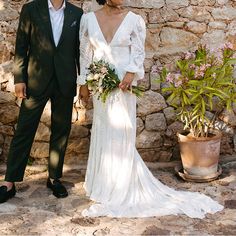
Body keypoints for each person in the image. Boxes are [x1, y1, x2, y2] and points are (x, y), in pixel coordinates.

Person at [78, 0, 224, 218]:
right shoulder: (88, 19)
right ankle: (102, 182)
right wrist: (83, 83)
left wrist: (130, 73)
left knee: (122, 130)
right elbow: (85, 52)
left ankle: (121, 184)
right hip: (100, 85)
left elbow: (138, 52)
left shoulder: (134, 20)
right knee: (103, 128)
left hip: (123, 85)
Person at [0, 0, 83, 203]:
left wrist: (83, 82)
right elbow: (21, 46)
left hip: (65, 80)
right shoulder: (30, 9)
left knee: (61, 129)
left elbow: (80, 51)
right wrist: (19, 79)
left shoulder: (77, 14)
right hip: (36, 80)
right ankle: (9, 182)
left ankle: (54, 178)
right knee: (24, 129)